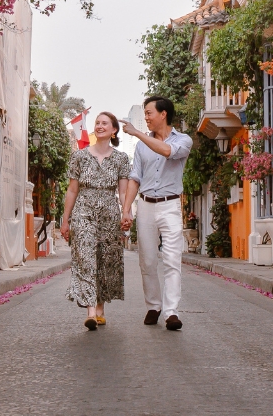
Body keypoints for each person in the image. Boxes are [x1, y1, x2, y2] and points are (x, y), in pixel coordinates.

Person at [120, 96, 193, 331]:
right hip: (146, 206)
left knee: (172, 259)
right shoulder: (142, 147)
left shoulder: (183, 140)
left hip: (170, 205)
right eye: (144, 115)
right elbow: (135, 178)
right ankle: (154, 306)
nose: (146, 119)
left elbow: (168, 151)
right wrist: (126, 210)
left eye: (149, 113)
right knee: (148, 261)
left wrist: (137, 134)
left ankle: (171, 311)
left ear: (163, 114)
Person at [61, 111, 131, 331]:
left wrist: (126, 212)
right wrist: (65, 220)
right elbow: (72, 190)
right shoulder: (79, 156)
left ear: (113, 130)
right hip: (83, 210)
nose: (100, 126)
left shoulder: (121, 158)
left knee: (105, 258)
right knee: (86, 256)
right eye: (97, 123)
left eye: (104, 123)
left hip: (109, 213)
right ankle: (90, 310)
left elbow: (122, 191)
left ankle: (100, 308)